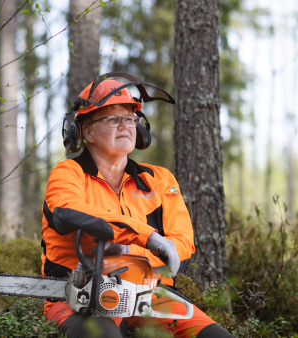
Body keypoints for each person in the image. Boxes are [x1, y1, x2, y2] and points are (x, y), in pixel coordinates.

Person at [41, 75, 234, 338]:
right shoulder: (68, 173)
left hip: (149, 294)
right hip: (81, 295)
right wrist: (146, 237)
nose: (125, 126)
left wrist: (137, 261)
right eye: (112, 119)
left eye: (130, 119)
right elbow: (67, 210)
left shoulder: (159, 179)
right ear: (86, 132)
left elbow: (182, 241)